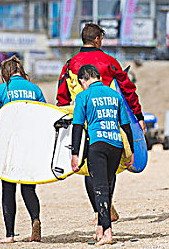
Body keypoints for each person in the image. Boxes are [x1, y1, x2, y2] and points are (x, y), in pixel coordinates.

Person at [57, 23, 145, 224]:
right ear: (97, 39)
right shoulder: (107, 60)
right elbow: (127, 88)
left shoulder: (70, 63)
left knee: (89, 168)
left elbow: (62, 95)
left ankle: (98, 211)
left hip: (83, 121)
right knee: (110, 165)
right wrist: (137, 115)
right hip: (107, 119)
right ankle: (107, 204)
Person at [0, 55, 46, 243]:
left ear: (6, 73)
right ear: (21, 71)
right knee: (28, 189)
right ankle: (35, 219)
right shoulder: (35, 89)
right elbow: (44, 117)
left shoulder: (1, 90)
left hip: (9, 146)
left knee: (8, 188)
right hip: (30, 145)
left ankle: (10, 235)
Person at [71, 65, 134, 246]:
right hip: (115, 145)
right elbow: (126, 126)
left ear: (84, 80)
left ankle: (108, 233)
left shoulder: (83, 96)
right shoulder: (115, 96)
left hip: (97, 146)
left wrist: (75, 154)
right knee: (107, 187)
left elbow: (77, 127)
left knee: (100, 190)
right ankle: (100, 227)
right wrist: (131, 153)